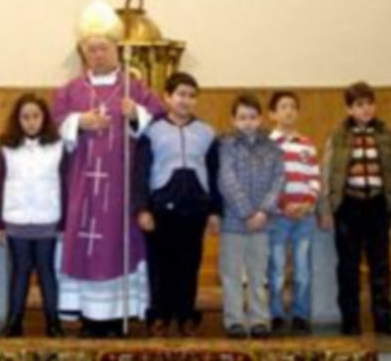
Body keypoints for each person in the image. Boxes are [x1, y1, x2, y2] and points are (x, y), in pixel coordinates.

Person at [51, 0, 163, 337]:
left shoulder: (134, 87)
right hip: (82, 186)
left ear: (117, 49)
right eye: (92, 49)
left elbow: (160, 123)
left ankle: (118, 317)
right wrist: (78, 121)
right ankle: (87, 316)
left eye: (104, 48)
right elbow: (52, 125)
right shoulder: (69, 91)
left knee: (118, 246)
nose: (98, 54)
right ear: (84, 52)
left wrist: (136, 116)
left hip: (120, 188)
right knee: (85, 247)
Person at [133, 72, 221, 337]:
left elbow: (215, 174)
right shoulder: (152, 131)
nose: (186, 100)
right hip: (160, 207)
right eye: (180, 95)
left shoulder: (206, 132)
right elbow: (141, 172)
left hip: (195, 208)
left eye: (192, 96)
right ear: (167, 97)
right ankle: (159, 315)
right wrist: (143, 208)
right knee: (160, 265)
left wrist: (215, 211)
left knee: (188, 264)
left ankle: (185, 314)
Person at [318, 81, 391, 336]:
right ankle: (351, 318)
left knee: (381, 265)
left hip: (378, 206)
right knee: (348, 265)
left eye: (369, 103)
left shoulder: (387, 135)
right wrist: (325, 208)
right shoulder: (337, 136)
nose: (366, 109)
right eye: (359, 104)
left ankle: (383, 316)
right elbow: (326, 172)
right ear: (349, 109)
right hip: (348, 206)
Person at [0, 93, 66, 338]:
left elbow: (64, 184)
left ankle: (53, 323)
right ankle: (14, 322)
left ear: (44, 118)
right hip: (17, 219)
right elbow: (0, 185)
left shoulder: (57, 147)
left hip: (47, 218)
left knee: (46, 271)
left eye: (36, 116)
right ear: (18, 120)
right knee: (20, 271)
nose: (31, 122)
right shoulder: (7, 147)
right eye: (25, 117)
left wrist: (64, 221)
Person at [217, 93, 284, 339]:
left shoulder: (272, 147)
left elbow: (279, 179)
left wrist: (264, 210)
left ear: (260, 118)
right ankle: (234, 320)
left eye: (253, 117)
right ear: (233, 120)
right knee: (232, 274)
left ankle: (259, 319)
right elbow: (226, 180)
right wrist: (246, 212)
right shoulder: (225, 145)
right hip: (234, 221)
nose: (248, 122)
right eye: (242, 117)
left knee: (258, 274)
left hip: (263, 222)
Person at [266, 91, 320, 336]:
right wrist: (283, 204)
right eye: (283, 107)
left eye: (292, 107)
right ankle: (276, 314)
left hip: (304, 217)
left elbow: (315, 178)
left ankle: (301, 314)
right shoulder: (268, 145)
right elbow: (267, 181)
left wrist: (308, 203)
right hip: (278, 216)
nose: (288, 111)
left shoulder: (306, 144)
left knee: (303, 268)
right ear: (272, 114)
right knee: (276, 268)